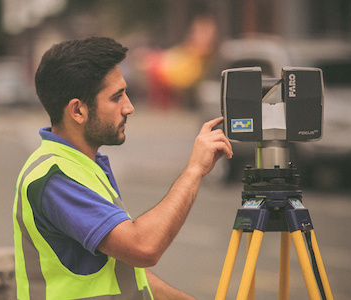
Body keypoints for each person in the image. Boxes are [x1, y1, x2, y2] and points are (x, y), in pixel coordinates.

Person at [13, 37, 233, 299]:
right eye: (116, 97)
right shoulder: (54, 178)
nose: (129, 107)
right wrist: (194, 170)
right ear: (78, 111)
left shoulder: (83, 165)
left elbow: (123, 271)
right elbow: (142, 247)